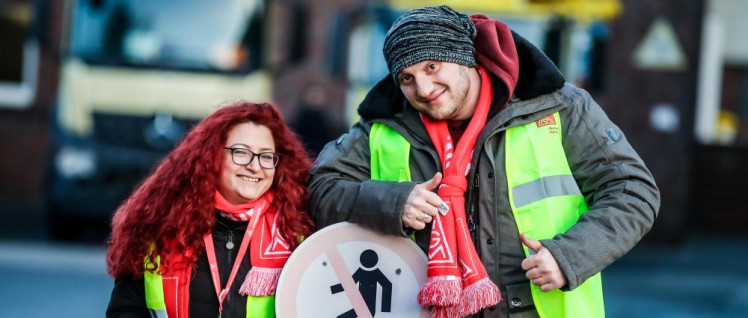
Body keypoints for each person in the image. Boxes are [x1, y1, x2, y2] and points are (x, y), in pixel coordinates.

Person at [308, 5, 659, 318]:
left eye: (433, 66)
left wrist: (570, 256)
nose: (424, 88)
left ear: (466, 58)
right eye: (407, 78)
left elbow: (632, 191)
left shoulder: (560, 107)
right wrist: (392, 202)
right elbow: (320, 189)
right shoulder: (382, 127)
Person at [106, 101, 314, 318]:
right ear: (212, 156)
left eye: (266, 156)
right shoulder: (160, 224)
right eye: (241, 153)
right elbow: (126, 310)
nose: (255, 166)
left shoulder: (297, 233)